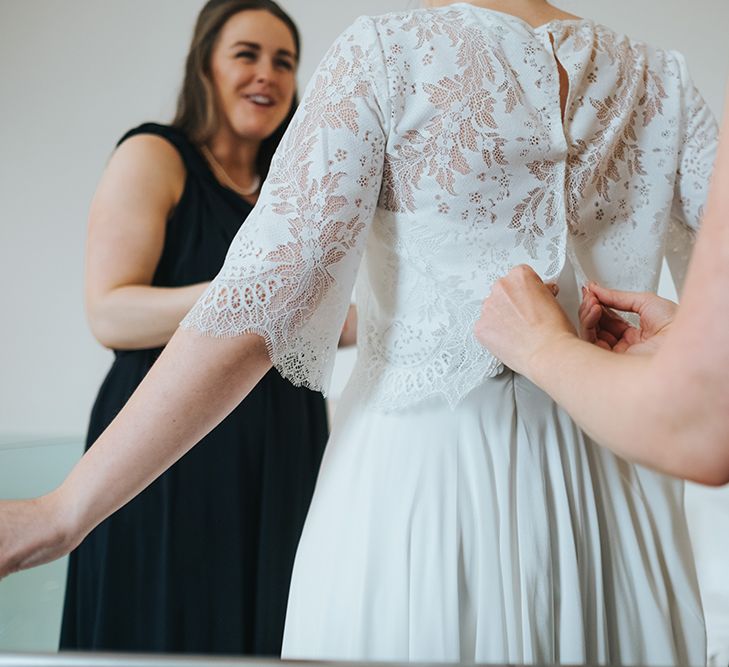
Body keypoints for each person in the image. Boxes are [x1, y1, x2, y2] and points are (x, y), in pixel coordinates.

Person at [0, 0, 719, 664]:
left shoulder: (384, 52)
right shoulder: (664, 81)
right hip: (615, 476)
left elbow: (260, 305)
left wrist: (64, 511)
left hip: (421, 486)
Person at [58, 0, 330, 655]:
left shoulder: (299, 191)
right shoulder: (155, 153)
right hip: (167, 447)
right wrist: (252, 296)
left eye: (284, 61)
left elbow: (332, 318)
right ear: (204, 65)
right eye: (247, 54)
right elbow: (110, 312)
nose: (267, 73)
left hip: (282, 449)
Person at [474, 88, 729, 486]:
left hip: (585, 451)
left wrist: (543, 347)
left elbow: (705, 428)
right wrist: (686, 351)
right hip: (604, 435)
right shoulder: (663, 82)